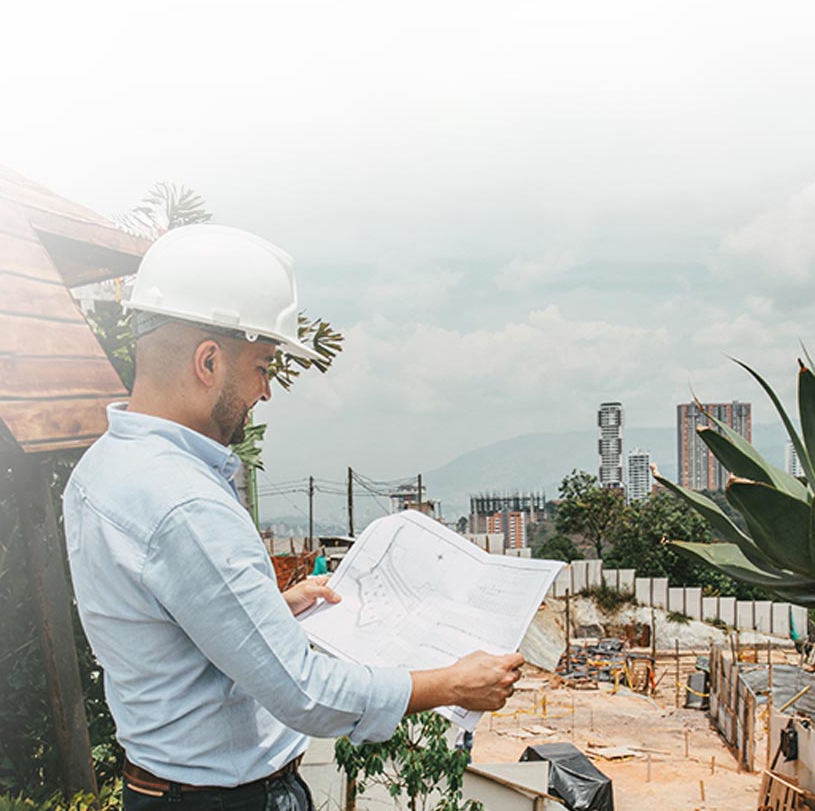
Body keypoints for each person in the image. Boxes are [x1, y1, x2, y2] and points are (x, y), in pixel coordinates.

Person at [63, 225, 523, 810]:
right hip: (226, 800)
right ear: (208, 361)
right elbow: (302, 690)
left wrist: (268, 612)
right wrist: (449, 684)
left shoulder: (102, 470)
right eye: (262, 366)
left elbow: (161, 629)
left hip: (164, 789)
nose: (266, 391)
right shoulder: (186, 504)